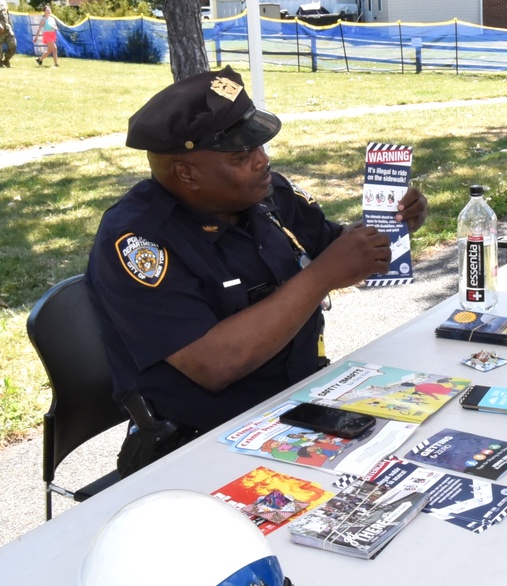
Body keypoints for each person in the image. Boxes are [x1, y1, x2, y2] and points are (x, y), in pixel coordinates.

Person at [85, 66, 428, 472]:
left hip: (305, 402)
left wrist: (394, 223)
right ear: (186, 173)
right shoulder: (138, 241)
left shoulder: (270, 196)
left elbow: (341, 252)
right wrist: (321, 277)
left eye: (260, 146)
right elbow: (215, 364)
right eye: (242, 156)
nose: (263, 160)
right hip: (207, 442)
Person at [0, 0, 15, 67]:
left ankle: (6, 60)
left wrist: (10, 24)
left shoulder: (3, 2)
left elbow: (7, 14)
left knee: (13, 45)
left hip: (7, 27)